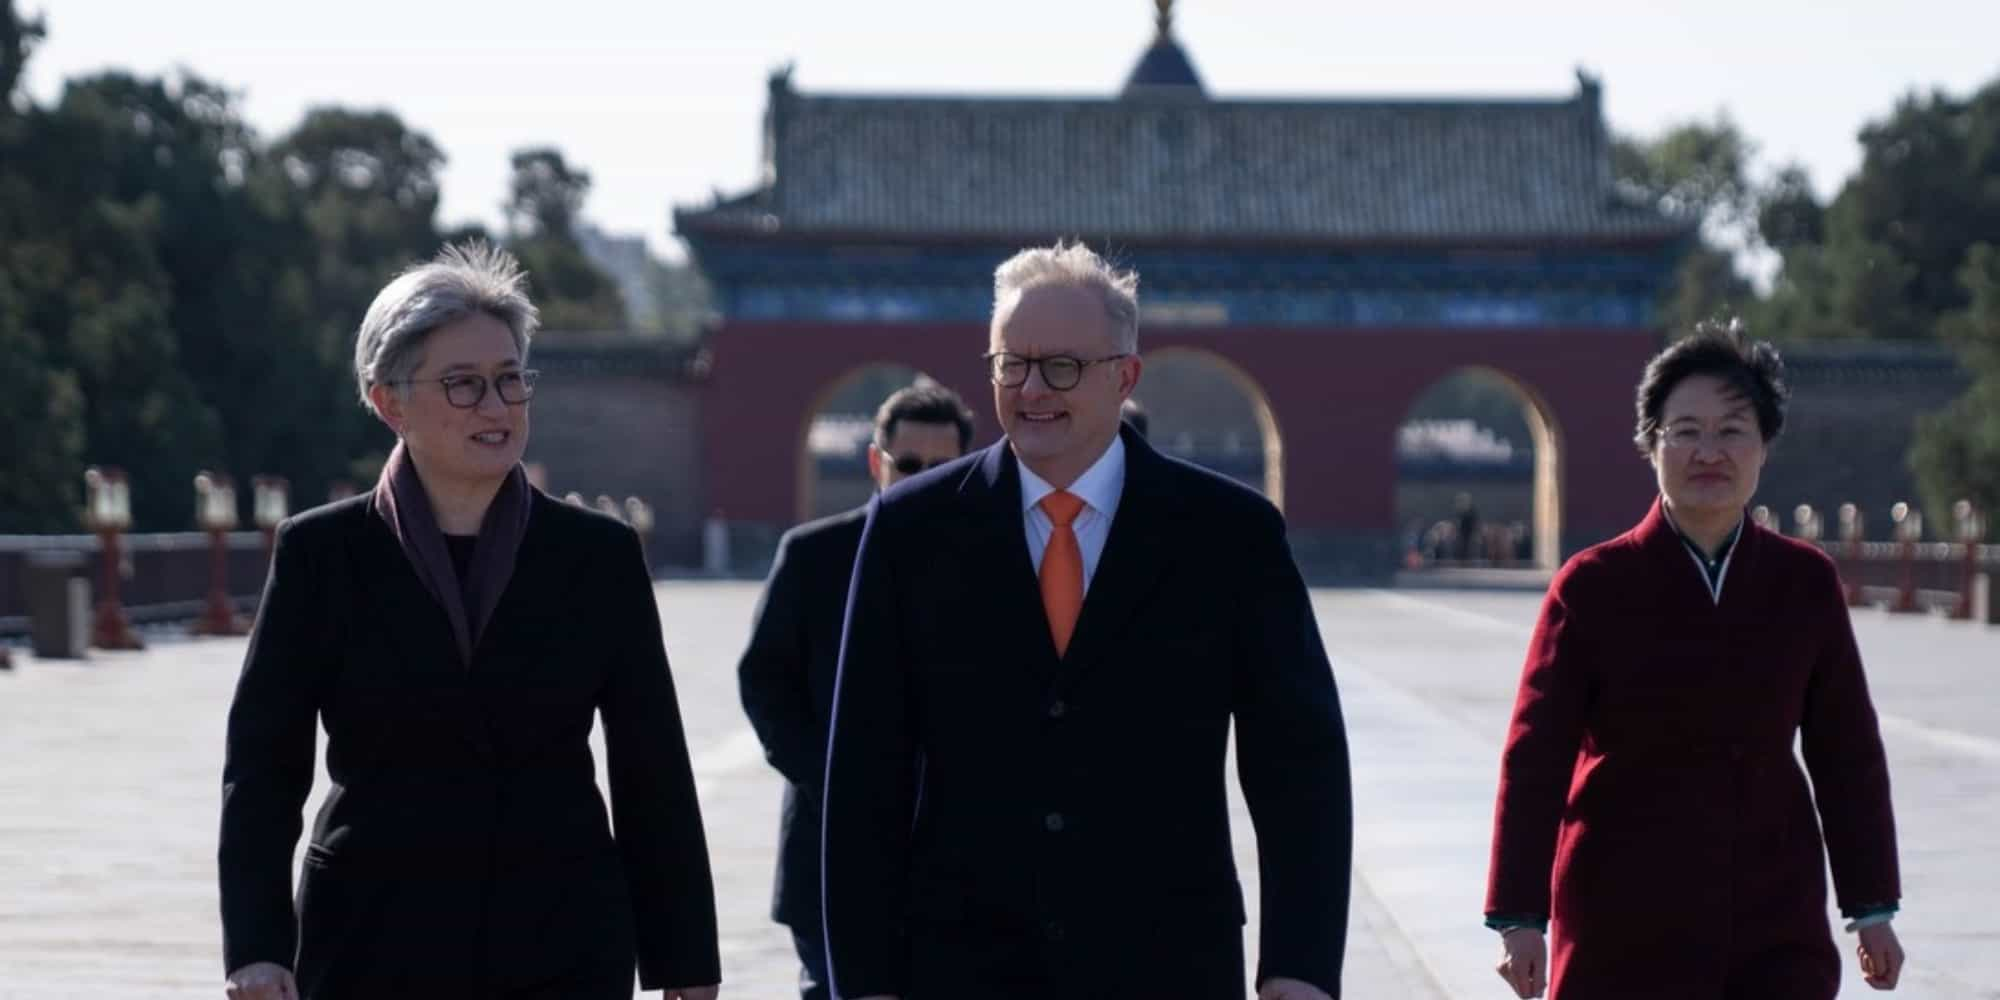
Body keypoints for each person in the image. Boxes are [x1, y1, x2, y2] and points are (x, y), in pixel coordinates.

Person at [821, 242, 1352, 1000]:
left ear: (1125, 375)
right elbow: (865, 772)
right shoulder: (913, 530)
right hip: (961, 963)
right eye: (1013, 364)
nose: (1032, 389)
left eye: (1061, 367)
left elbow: (1299, 766)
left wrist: (1298, 970)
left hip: (1167, 962)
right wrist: (865, 983)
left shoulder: (1227, 535)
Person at [218, 242, 721, 1000]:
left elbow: (652, 769)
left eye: (510, 381)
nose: (496, 407)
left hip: (559, 939)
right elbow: (263, 766)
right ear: (390, 402)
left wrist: (684, 958)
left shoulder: (596, 557)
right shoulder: (322, 554)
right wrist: (257, 946)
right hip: (370, 937)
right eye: (463, 385)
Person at [1485, 323, 1905, 999]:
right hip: (1620, 914)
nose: (1709, 451)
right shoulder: (1592, 586)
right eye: (1685, 431)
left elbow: (1847, 753)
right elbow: (1535, 758)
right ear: (1651, 445)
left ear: (1764, 446)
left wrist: (1871, 907)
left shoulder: (1804, 584)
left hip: (1774, 912)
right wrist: (1519, 917)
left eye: (1732, 430)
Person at [737, 382, 976, 1000]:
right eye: (909, 466)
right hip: (828, 849)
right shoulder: (814, 556)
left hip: (955, 861)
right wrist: (835, 780)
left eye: (941, 469)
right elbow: (764, 683)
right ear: (877, 462)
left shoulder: (992, 564)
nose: (922, 479)